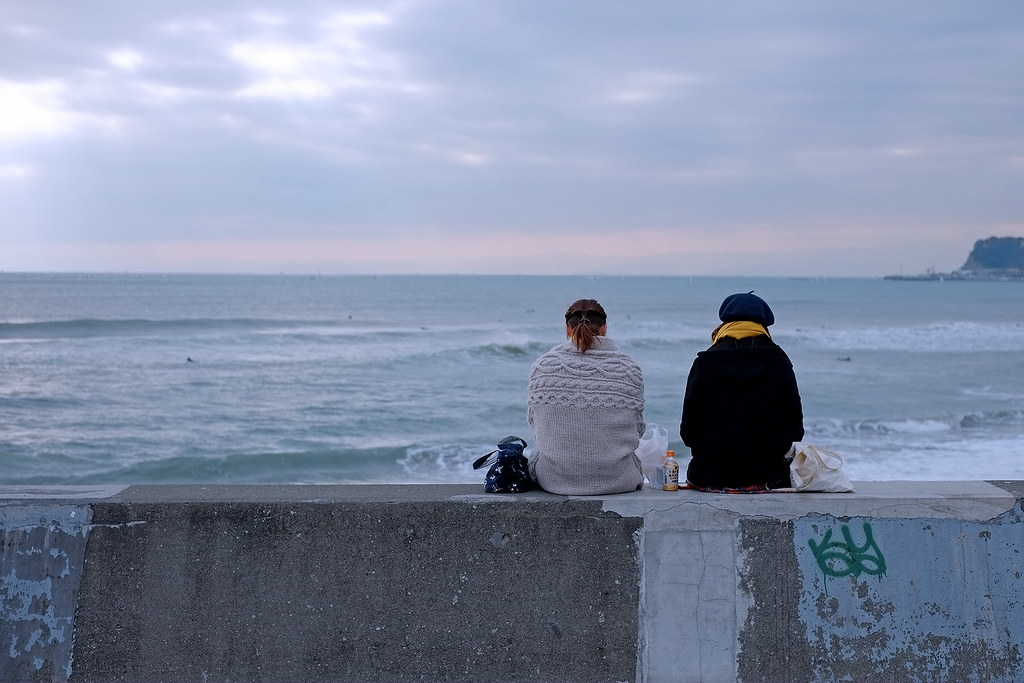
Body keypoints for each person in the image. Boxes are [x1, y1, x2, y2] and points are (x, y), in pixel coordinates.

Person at [680, 292, 804, 491]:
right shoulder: (779, 361)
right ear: (763, 326)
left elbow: (688, 431)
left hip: (709, 476)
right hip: (768, 477)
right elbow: (796, 429)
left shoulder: (704, 362)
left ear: (724, 324)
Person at [527, 299, 645, 495]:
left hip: (553, 480)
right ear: (605, 328)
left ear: (567, 329)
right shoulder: (628, 368)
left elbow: (535, 423)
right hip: (618, 480)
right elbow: (638, 429)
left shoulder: (542, 366)